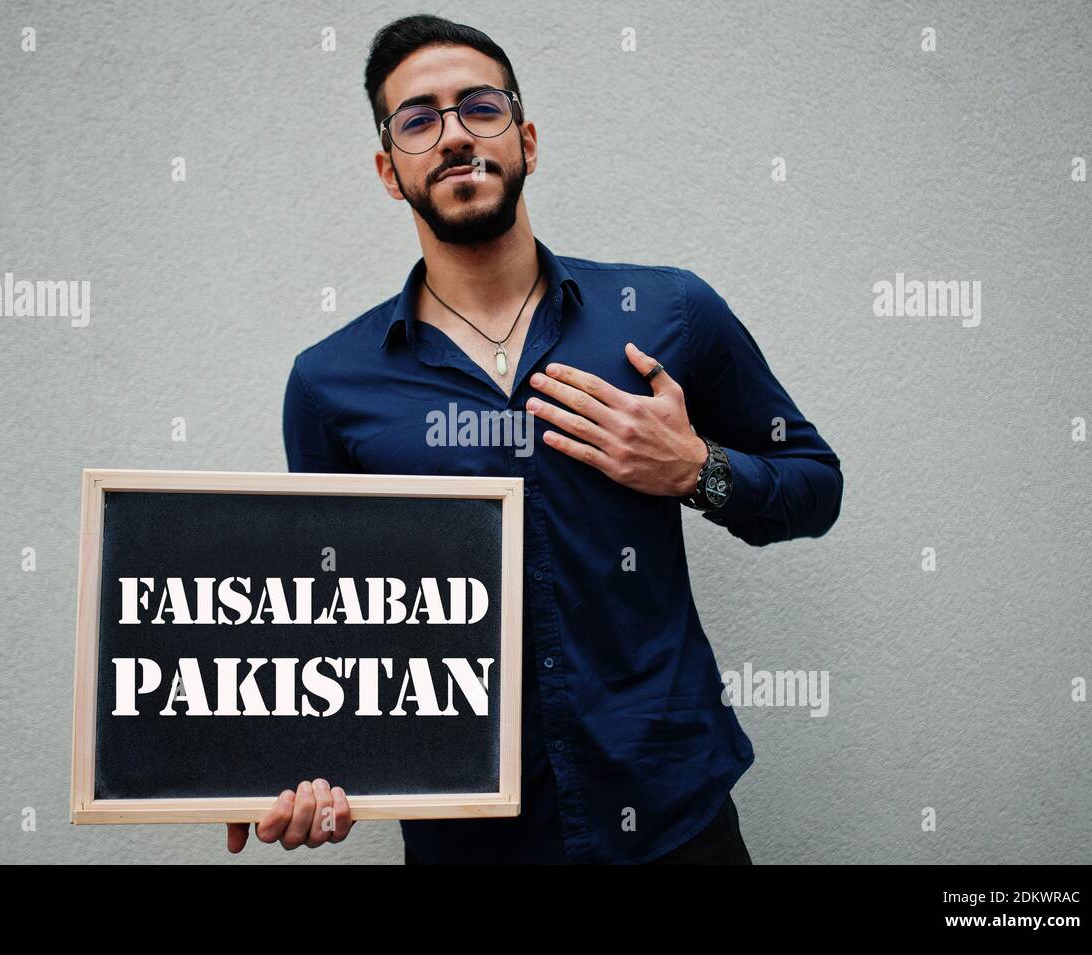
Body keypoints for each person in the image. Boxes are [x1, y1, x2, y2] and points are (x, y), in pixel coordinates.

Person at [227, 13, 843, 864]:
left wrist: (696, 470)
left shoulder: (668, 312)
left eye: (479, 107)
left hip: (675, 827)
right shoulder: (330, 386)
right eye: (418, 119)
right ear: (388, 171)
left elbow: (816, 485)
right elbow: (333, 627)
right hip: (470, 845)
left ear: (526, 139)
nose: (453, 135)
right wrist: (307, 772)